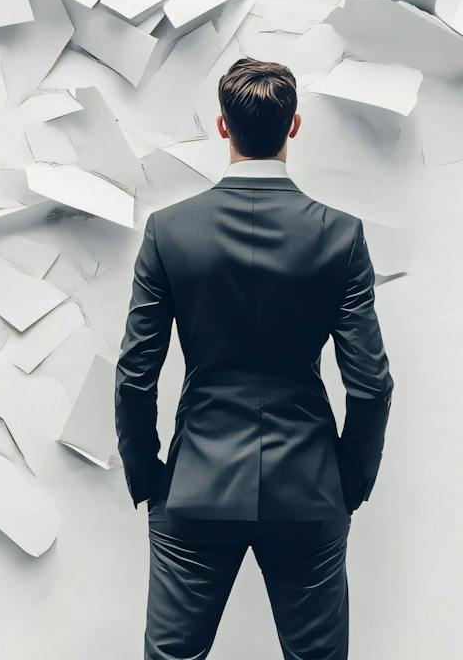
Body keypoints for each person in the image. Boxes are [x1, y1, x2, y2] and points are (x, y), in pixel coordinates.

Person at [115, 57, 394, 660]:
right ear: (293, 127)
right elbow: (370, 387)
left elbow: (136, 375)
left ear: (223, 127)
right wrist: (346, 484)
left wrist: (150, 480)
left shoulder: (170, 231)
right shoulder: (340, 236)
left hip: (195, 484)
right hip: (309, 487)